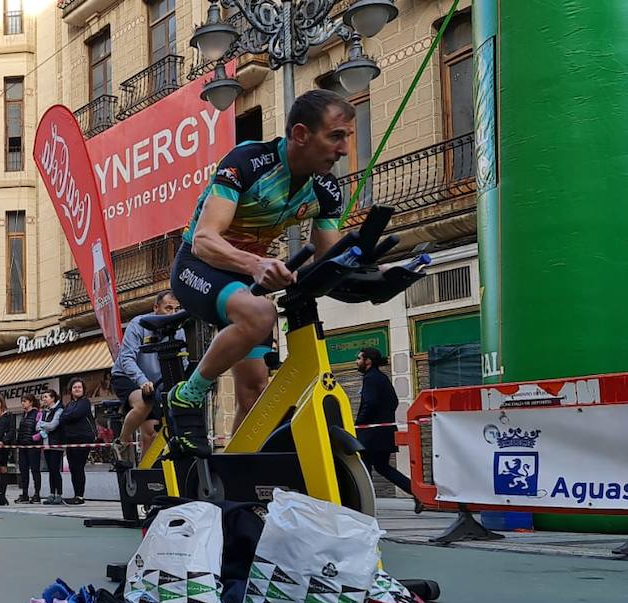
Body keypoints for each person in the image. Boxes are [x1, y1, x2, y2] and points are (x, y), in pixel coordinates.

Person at [168, 90, 353, 451]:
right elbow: (205, 239)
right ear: (301, 134)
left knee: (255, 392)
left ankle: (238, 471)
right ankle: (187, 394)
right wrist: (256, 264)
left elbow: (330, 260)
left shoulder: (325, 189)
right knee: (261, 313)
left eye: (347, 137)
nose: (344, 149)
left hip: (245, 281)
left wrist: (368, 273)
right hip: (200, 265)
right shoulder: (249, 161)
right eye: (336, 136)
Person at [111, 290, 178, 465]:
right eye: (168, 308)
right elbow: (126, 358)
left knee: (152, 433)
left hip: (156, 382)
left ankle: (144, 474)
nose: (173, 314)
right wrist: (141, 380)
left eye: (176, 310)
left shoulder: (178, 330)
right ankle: (122, 442)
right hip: (127, 375)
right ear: (156, 307)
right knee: (144, 402)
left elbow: (182, 362)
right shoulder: (139, 324)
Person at [355, 347, 421, 512]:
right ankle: (417, 494)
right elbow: (394, 402)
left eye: (359, 358)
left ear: (367, 361)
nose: (356, 362)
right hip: (384, 433)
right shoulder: (382, 378)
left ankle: (363, 505)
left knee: (364, 469)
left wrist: (359, 423)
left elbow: (370, 403)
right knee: (382, 467)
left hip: (371, 434)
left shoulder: (370, 379)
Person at [57, 379, 95, 505]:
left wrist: (68, 416)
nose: (77, 389)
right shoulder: (69, 404)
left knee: (78, 467)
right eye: (75, 387)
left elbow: (75, 415)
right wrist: (68, 415)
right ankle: (76, 494)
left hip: (83, 438)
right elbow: (62, 418)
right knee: (73, 468)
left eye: (79, 387)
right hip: (71, 439)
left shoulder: (85, 402)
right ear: (71, 390)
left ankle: (80, 496)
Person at [35, 389, 64, 505]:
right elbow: (37, 426)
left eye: (46, 397)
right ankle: (52, 493)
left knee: (55, 470)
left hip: (55, 444)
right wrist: (43, 426)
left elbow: (53, 425)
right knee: (51, 470)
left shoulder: (59, 410)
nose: (44, 399)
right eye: (43, 397)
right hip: (46, 444)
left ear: (53, 398)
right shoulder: (45, 411)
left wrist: (42, 425)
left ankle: (59, 494)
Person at [14, 394, 42, 504]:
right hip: (23, 447)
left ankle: (37, 494)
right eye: (22, 401)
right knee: (23, 471)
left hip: (33, 446)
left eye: (24, 401)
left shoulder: (38, 414)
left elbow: (41, 429)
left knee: (35, 470)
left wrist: (35, 438)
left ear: (31, 402)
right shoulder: (24, 415)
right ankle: (24, 494)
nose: (22, 403)